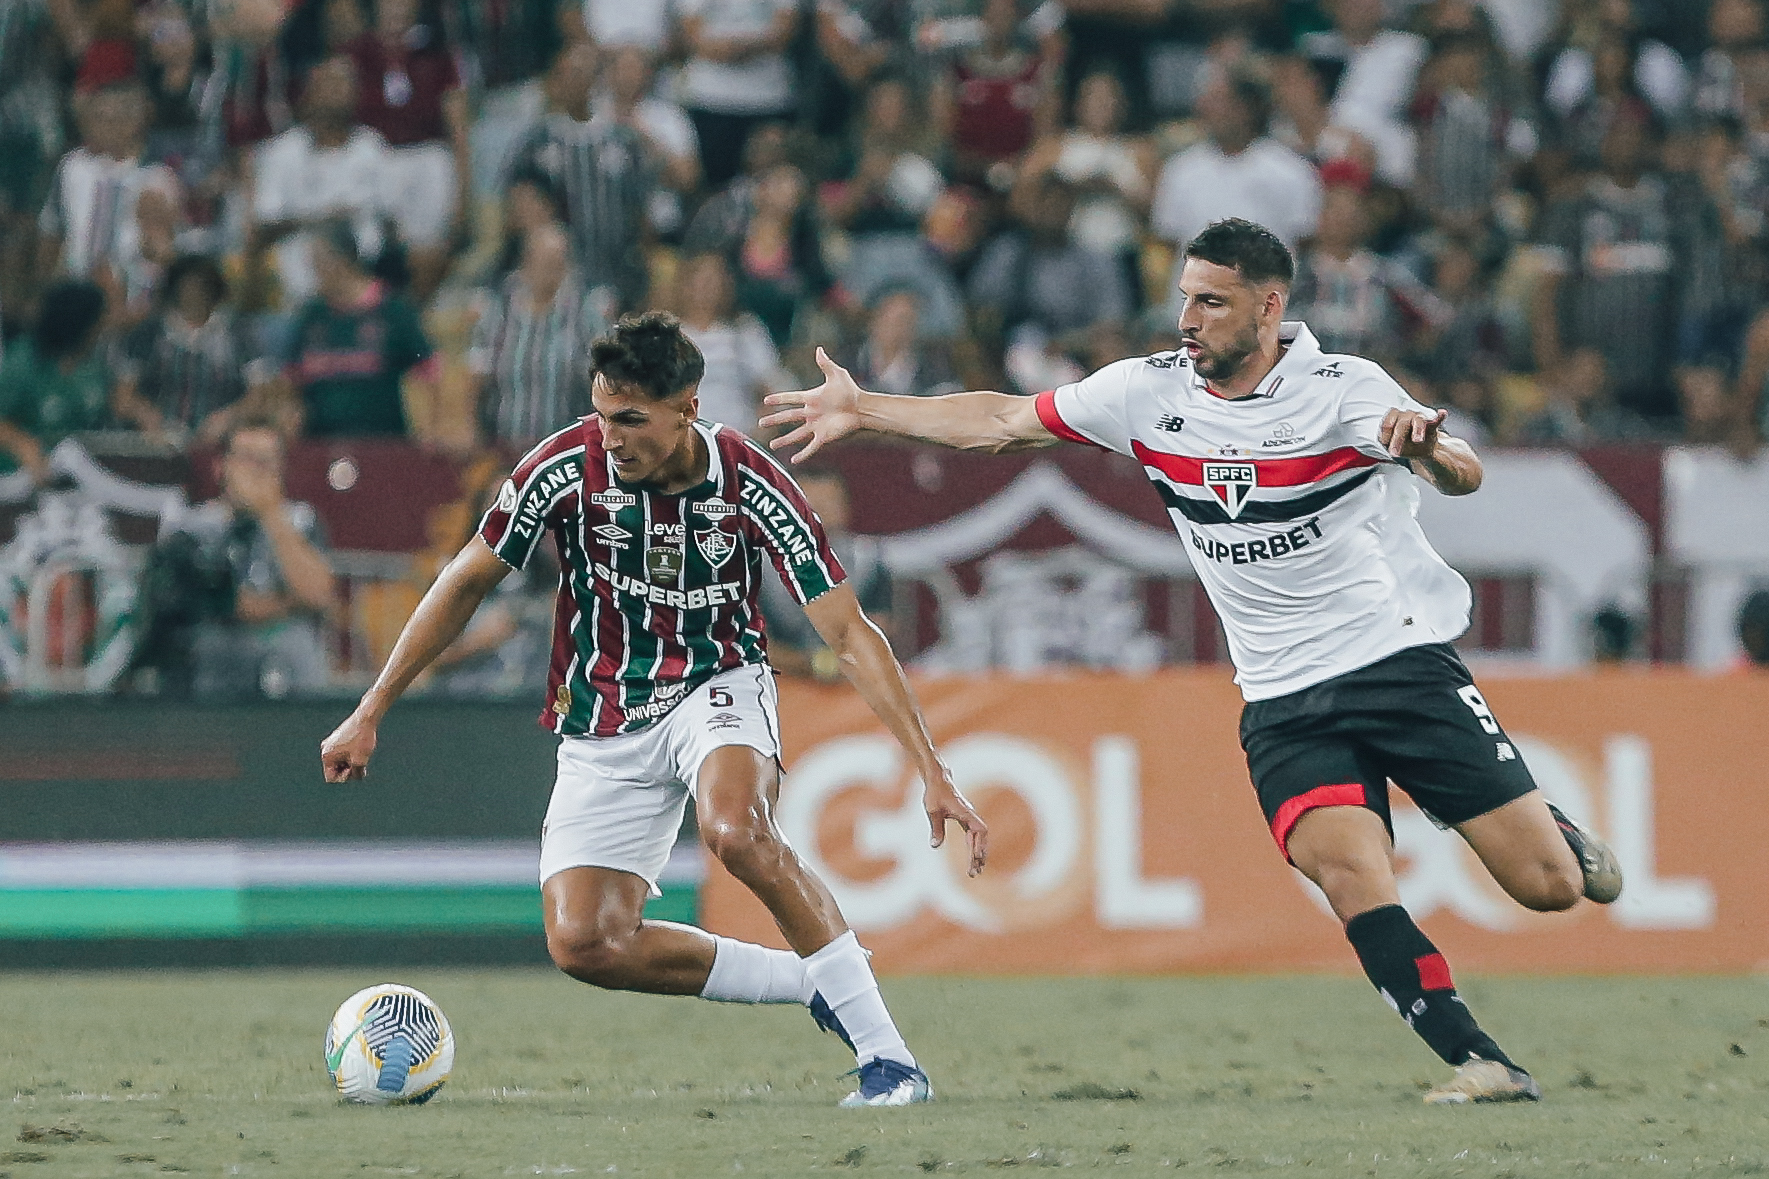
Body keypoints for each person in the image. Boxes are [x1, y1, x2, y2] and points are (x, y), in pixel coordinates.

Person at [764, 217, 1625, 1105]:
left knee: (1549, 888)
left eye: (1210, 302)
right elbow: (1001, 420)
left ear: (1268, 306)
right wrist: (864, 409)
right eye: (1183, 298)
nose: (1188, 318)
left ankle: (1548, 831)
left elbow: (1462, 467)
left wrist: (1428, 451)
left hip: (1394, 662)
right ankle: (1479, 1059)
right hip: (1280, 697)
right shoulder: (1146, 393)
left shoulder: (1342, 388)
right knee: (1347, 873)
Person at [320, 311, 988, 1109]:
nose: (610, 436)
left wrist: (930, 768)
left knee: (734, 829)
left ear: (688, 408)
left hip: (719, 683)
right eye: (602, 414)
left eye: (631, 419)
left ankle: (890, 1060)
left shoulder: (750, 481)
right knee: (586, 943)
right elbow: (468, 577)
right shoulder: (563, 467)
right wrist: (372, 706)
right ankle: (817, 983)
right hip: (603, 711)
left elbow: (847, 630)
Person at [134, 418, 336, 697]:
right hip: (212, 670)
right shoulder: (190, 527)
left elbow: (318, 594)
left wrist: (270, 513)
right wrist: (291, 603)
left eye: (268, 460)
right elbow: (229, 605)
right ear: (221, 466)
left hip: (290, 669)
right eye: (248, 459)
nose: (258, 470)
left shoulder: (301, 521)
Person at [282, 219, 438, 437]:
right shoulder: (312, 315)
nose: (313, 270)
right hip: (320, 445)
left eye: (317, 261)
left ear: (341, 260)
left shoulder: (393, 311)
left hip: (383, 445)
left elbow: (428, 372)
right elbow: (291, 380)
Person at [468, 222, 606, 448]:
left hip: (565, 450)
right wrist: (473, 433)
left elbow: (603, 380)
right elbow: (476, 375)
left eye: (558, 264)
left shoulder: (585, 315)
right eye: (546, 263)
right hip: (504, 447)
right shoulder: (499, 310)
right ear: (527, 262)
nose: (552, 272)